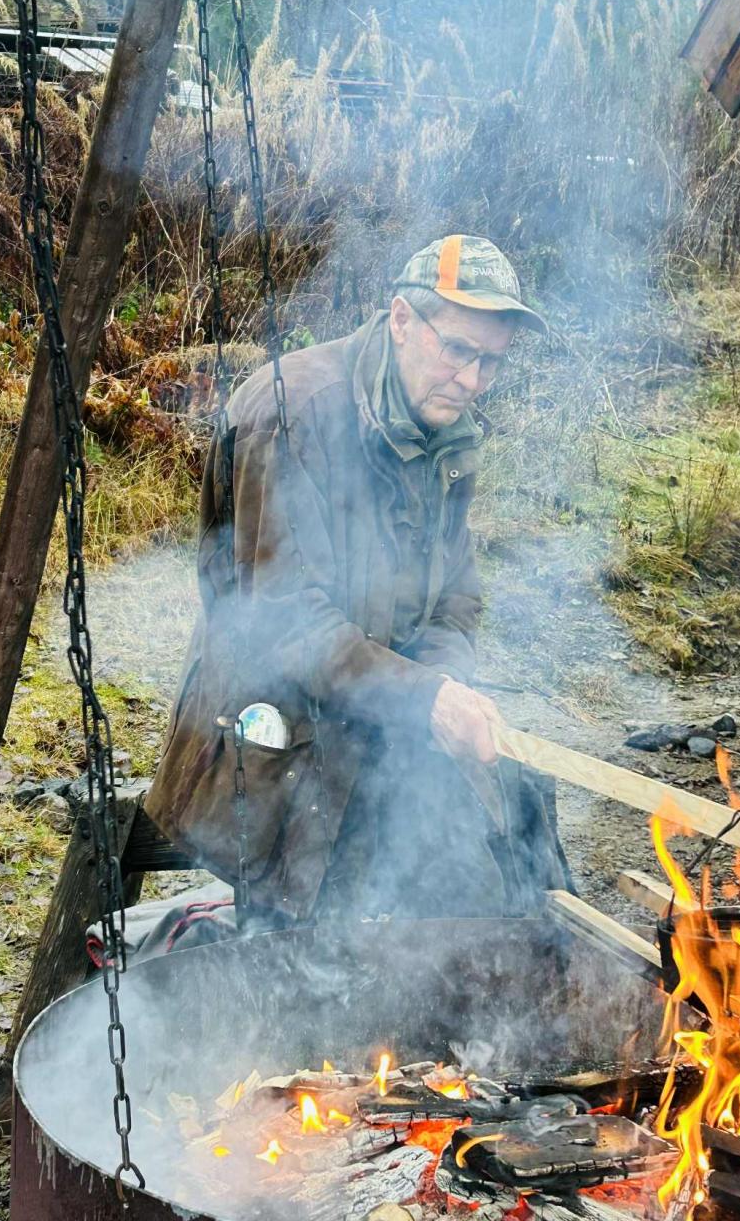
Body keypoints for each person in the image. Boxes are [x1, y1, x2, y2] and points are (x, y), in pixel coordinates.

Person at [146, 234, 570, 929]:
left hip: (381, 735)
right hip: (272, 758)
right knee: (289, 983)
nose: (472, 381)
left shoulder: (446, 433)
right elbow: (286, 624)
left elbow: (456, 598)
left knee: (462, 922)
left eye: (492, 362)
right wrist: (425, 698)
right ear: (402, 320)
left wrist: (444, 685)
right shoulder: (291, 415)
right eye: (459, 351)